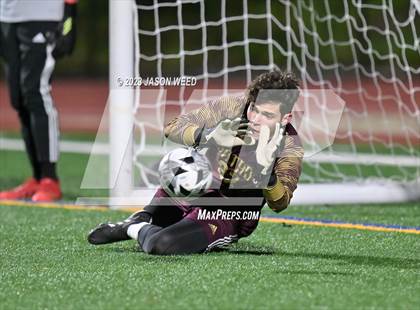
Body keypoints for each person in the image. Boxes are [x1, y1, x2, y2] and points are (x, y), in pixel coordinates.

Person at [88, 70, 304, 255]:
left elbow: (280, 202)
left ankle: (132, 227)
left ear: (286, 118)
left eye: (266, 114)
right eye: (254, 109)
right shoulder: (232, 107)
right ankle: (145, 218)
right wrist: (209, 135)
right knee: (182, 162)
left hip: (226, 213)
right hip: (189, 191)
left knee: (162, 244)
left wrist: (266, 173)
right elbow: (172, 127)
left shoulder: (289, 146)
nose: (255, 119)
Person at [0, 0, 77, 201]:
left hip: (44, 16)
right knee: (18, 98)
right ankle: (37, 177)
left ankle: (50, 179)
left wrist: (69, 16)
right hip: (7, 16)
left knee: (35, 93)